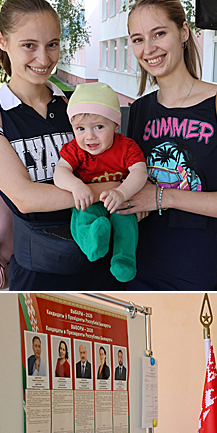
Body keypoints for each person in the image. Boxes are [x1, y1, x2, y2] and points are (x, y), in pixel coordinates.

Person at [0, 0, 118, 290]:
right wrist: (114, 191)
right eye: (29, 46)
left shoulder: (74, 106)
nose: (44, 59)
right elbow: (25, 197)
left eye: (52, 44)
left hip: (97, 258)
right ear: (2, 41)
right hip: (38, 268)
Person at [122, 0, 217, 291]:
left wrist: (164, 196)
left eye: (158, 33)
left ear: (184, 32)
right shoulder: (139, 110)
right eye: (138, 39)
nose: (149, 48)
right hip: (135, 264)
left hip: (197, 269)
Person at [53, 82, 147, 283]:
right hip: (90, 201)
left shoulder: (127, 147)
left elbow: (140, 172)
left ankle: (124, 259)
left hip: (119, 201)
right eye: (80, 128)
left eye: (99, 127)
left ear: (115, 124)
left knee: (127, 221)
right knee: (82, 216)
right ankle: (93, 242)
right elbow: (59, 172)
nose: (90, 136)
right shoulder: (75, 149)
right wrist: (76, 185)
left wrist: (122, 192)